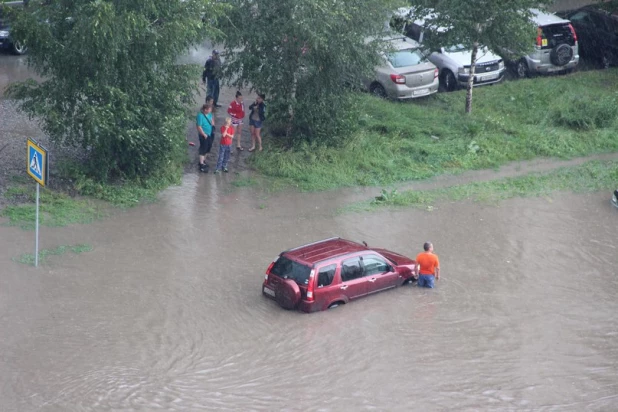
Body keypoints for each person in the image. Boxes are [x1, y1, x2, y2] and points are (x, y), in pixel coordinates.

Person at [196, 104, 215, 173]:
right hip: (203, 135)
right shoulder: (200, 116)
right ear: (205, 110)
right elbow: (199, 126)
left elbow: (212, 123)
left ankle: (203, 161)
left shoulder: (210, 115)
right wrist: (203, 134)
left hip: (210, 134)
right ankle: (201, 164)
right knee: (203, 148)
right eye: (209, 109)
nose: (211, 110)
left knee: (208, 147)